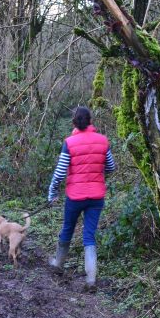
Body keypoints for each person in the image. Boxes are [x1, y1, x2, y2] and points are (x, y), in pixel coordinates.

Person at [47, 105, 115, 287]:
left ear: (74, 123)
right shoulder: (103, 141)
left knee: (68, 228)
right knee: (89, 235)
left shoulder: (69, 143)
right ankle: (91, 279)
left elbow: (60, 172)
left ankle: (58, 264)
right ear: (91, 121)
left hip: (75, 196)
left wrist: (52, 193)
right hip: (96, 197)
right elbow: (111, 167)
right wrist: (98, 174)